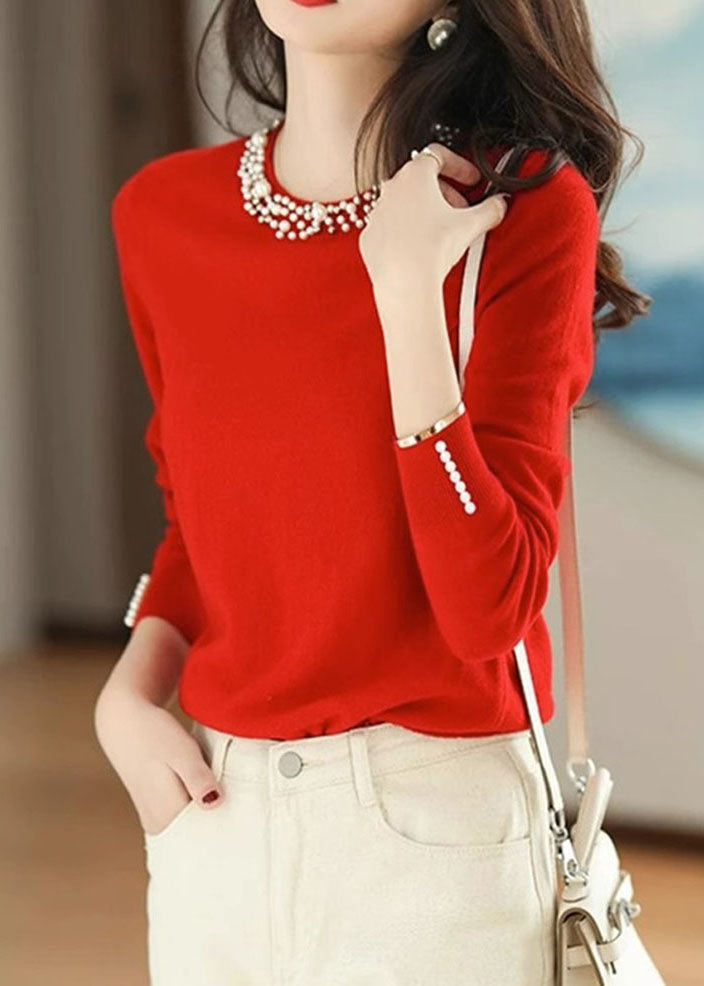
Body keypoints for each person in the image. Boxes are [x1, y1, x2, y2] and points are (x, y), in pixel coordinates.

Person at [94, 1, 648, 983]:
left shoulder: (517, 207)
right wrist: (127, 696)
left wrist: (405, 294)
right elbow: (198, 520)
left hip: (434, 844)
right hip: (213, 831)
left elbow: (488, 608)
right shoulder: (161, 215)